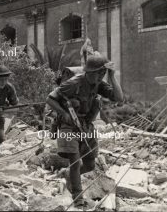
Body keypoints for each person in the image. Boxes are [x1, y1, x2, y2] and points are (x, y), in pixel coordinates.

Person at [46, 55, 123, 207]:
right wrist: (65, 114)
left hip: (86, 125)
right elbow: (50, 99)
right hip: (69, 125)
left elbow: (119, 98)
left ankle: (69, 176)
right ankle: (78, 198)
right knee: (75, 162)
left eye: (103, 73)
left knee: (90, 165)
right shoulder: (74, 83)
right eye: (98, 73)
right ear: (88, 72)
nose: (100, 76)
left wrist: (112, 76)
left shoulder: (99, 84)